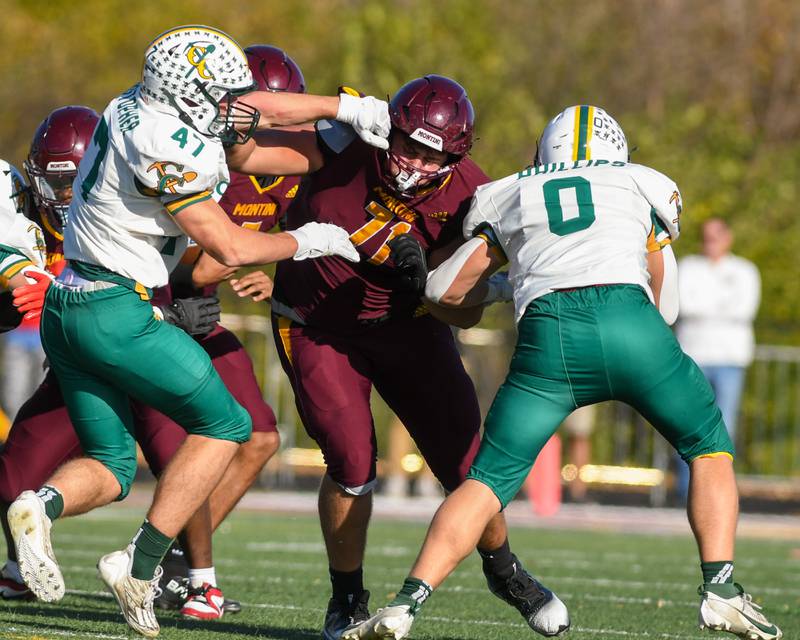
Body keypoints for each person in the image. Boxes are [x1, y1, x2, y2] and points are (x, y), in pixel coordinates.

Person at [344, 105, 781, 640]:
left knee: (485, 483)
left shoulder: (509, 192)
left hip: (549, 341)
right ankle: (720, 589)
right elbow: (668, 306)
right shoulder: (642, 184)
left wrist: (509, 287)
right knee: (708, 447)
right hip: (632, 329)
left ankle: (406, 602)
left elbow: (443, 290)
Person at [6, 24, 387, 638]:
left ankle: (39, 504)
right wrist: (307, 240)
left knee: (111, 464)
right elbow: (228, 246)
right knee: (231, 424)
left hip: (68, 307)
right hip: (117, 310)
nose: (234, 107)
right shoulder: (168, 145)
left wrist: (343, 112)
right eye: (220, 96)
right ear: (188, 96)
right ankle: (142, 565)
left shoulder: (137, 104)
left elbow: (246, 135)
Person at [226, 74, 565, 640]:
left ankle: (504, 571)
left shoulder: (473, 199)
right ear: (390, 130)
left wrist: (429, 282)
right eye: (407, 144)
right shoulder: (349, 141)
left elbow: (466, 312)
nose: (412, 163)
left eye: (431, 155)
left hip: (409, 326)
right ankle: (347, 596)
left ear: (455, 156)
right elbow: (243, 139)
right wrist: (343, 108)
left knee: (468, 470)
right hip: (317, 325)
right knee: (352, 464)